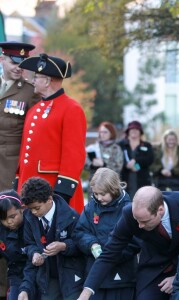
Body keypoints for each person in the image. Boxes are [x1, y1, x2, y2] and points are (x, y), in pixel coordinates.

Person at [77, 186, 179, 300]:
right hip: (155, 267)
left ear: (160, 210)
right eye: (137, 220)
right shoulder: (130, 215)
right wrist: (86, 293)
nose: (140, 226)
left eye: (145, 221)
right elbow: (109, 254)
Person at [14, 53, 87, 214]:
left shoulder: (71, 109)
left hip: (52, 188)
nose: (33, 80)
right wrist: (18, 181)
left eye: (37, 77)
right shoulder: (34, 110)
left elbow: (74, 154)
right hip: (28, 187)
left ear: (47, 81)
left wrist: (63, 192)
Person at [0, 41, 39, 300]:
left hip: (8, 169)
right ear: (2, 59)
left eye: (23, 65)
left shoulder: (29, 93)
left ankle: (5, 289)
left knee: (7, 228)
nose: (18, 69)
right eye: (14, 63)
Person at [74, 168, 139, 299]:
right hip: (95, 275)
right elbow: (80, 232)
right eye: (96, 194)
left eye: (103, 194)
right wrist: (92, 244)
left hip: (122, 277)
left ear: (113, 189)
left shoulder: (129, 208)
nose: (99, 198)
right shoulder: (90, 208)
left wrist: (112, 255)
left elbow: (135, 241)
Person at [18, 177, 85, 300]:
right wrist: (34, 253)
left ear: (49, 199)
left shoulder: (71, 216)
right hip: (47, 275)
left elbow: (81, 244)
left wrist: (64, 246)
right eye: (30, 208)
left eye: (37, 208)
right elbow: (29, 244)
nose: (33, 212)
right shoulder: (28, 217)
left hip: (71, 274)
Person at [0, 190, 37, 300]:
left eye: (12, 216)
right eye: (3, 219)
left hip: (38, 273)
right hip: (16, 274)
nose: (9, 222)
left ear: (22, 209)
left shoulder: (33, 223)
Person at [85, 121, 123, 201]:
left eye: (105, 132)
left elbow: (118, 167)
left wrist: (103, 164)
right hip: (94, 186)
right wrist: (92, 164)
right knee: (93, 211)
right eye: (101, 132)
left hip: (109, 187)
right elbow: (84, 164)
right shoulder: (93, 147)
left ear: (111, 133)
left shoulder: (116, 149)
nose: (102, 134)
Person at [119, 121, 154, 198]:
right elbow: (117, 158)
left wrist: (136, 161)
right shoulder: (121, 145)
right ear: (128, 131)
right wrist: (126, 165)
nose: (134, 131)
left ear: (140, 132)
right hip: (124, 180)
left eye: (136, 129)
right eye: (132, 129)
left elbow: (150, 159)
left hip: (142, 180)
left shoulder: (147, 145)